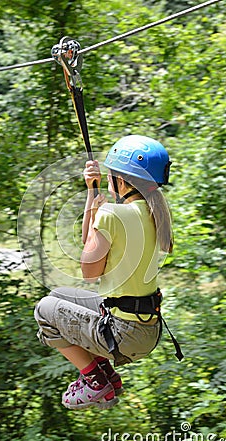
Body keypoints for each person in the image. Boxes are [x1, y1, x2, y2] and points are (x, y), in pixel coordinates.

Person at [34, 134, 177, 411]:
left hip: (123, 332)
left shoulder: (113, 214)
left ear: (120, 181)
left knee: (44, 310)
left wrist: (94, 202)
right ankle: (106, 375)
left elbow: (89, 270)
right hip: (145, 327)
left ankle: (95, 380)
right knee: (59, 296)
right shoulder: (153, 211)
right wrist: (92, 192)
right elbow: (93, 251)